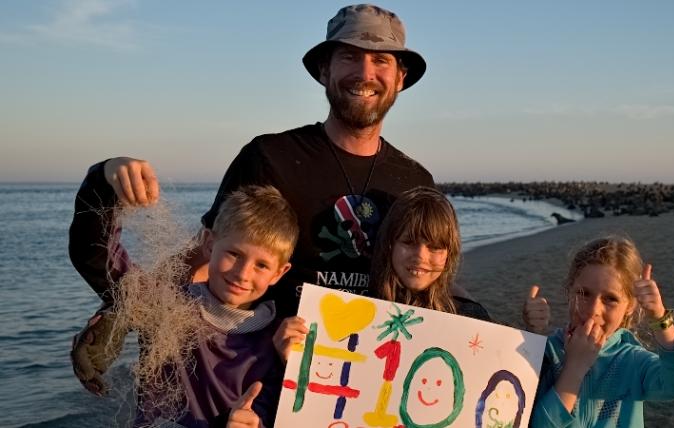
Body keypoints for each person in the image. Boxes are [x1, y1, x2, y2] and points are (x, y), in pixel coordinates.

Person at [70, 3, 440, 395]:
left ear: (399, 78)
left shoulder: (416, 181)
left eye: (381, 60)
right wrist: (120, 312)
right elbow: (203, 255)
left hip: (373, 383)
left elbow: (434, 281)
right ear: (324, 71)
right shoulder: (269, 158)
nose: (365, 73)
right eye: (349, 56)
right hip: (265, 383)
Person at [69, 165, 298, 427]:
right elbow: (95, 255)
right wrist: (105, 177)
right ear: (210, 244)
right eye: (233, 254)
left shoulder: (279, 341)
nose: (242, 274)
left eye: (261, 265)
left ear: (280, 273)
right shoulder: (165, 305)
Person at [274, 187, 490, 362]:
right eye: (408, 242)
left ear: (449, 254)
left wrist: (525, 331)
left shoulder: (469, 316)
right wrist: (293, 360)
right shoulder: (360, 311)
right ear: (389, 245)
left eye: (435, 247)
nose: (420, 256)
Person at [523, 236, 674, 427]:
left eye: (610, 299)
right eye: (584, 293)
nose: (593, 310)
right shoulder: (549, 353)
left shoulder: (632, 361)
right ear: (569, 291)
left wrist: (659, 319)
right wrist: (533, 338)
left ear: (630, 305)